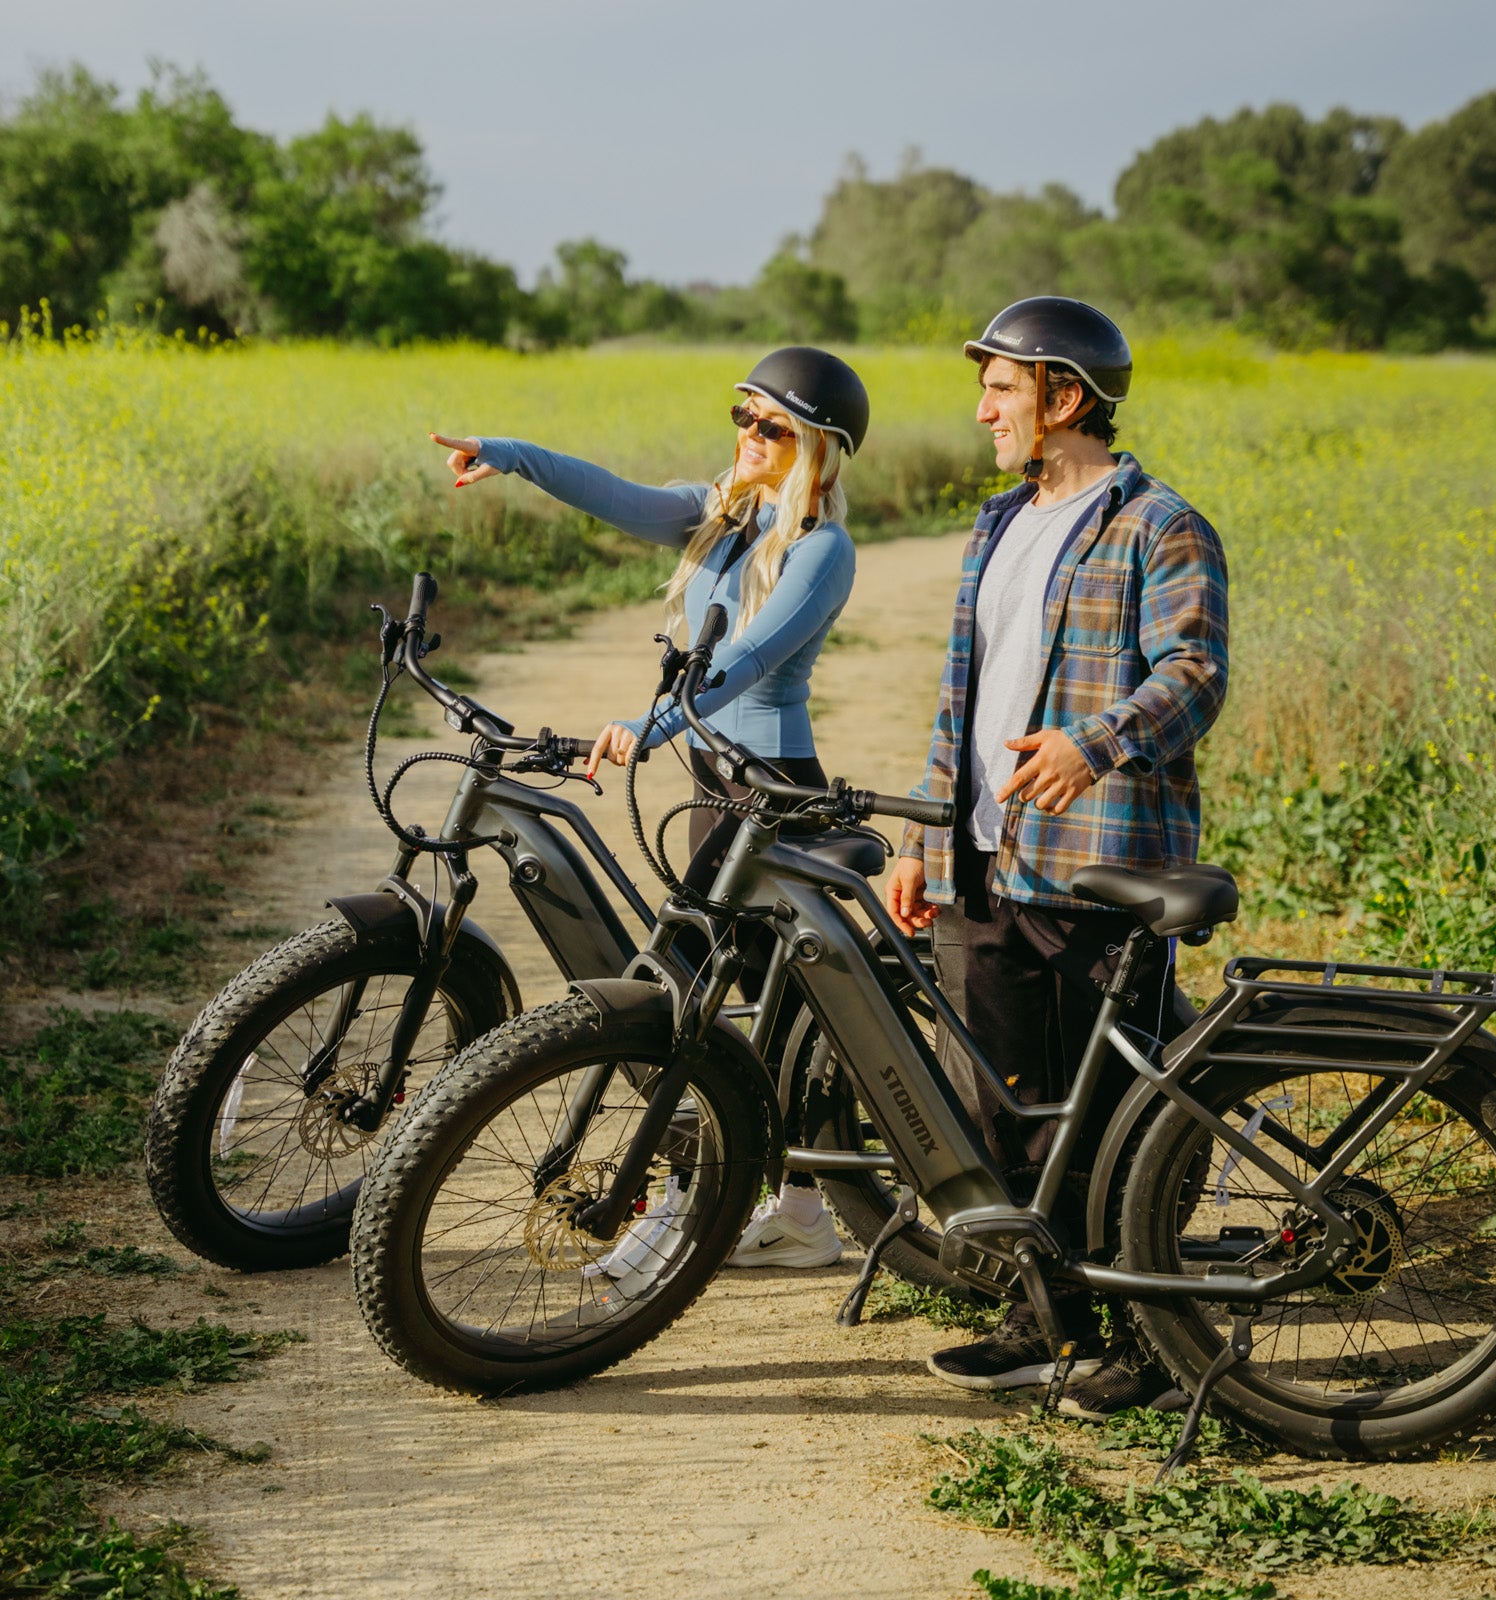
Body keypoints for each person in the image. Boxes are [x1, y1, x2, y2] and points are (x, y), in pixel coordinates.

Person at [431, 346, 870, 1272]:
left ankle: (696, 1199)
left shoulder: (823, 549)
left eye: (773, 426)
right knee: (749, 1000)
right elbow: (611, 494)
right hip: (719, 797)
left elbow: (744, 663)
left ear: (819, 448)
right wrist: (508, 452)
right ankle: (790, 1210)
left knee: (712, 998)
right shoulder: (719, 515)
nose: (749, 435)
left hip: (774, 797)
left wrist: (650, 724)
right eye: (743, 415)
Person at [884, 297, 1229, 1419]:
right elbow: (960, 703)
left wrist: (1096, 742)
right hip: (986, 864)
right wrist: (924, 838)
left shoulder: (1159, 525)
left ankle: (1153, 1338)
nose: (981, 407)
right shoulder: (998, 521)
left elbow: (1193, 674)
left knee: (1120, 1123)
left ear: (1062, 397)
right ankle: (1048, 1323)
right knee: (1008, 1114)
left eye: (999, 388)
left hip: (1095, 867)